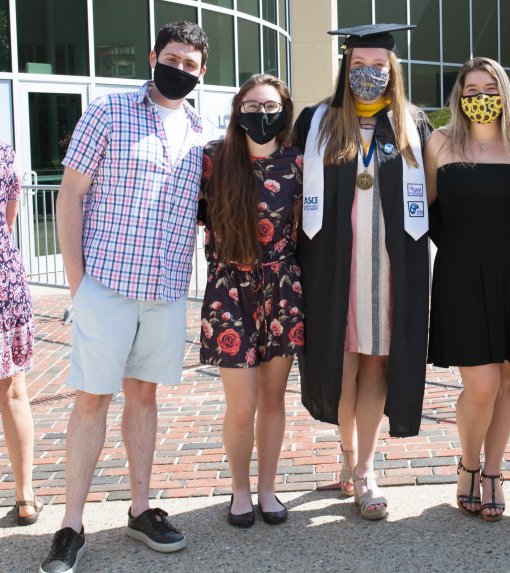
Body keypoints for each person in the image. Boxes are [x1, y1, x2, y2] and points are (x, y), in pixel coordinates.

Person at [43, 21, 209, 573]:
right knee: (92, 400)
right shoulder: (108, 111)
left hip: (164, 292)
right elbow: (69, 195)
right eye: (173, 58)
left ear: (201, 72)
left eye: (190, 64)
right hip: (107, 287)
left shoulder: (199, 127)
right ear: (152, 57)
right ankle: (70, 525)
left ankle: (140, 509)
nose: (179, 69)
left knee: (143, 399)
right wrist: (77, 283)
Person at [291, 23, 432, 520]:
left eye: (377, 67)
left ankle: (366, 467)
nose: (368, 75)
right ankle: (348, 457)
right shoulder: (317, 122)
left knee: (376, 362)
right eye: (358, 67)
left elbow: (435, 196)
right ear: (344, 70)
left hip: (392, 267)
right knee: (341, 361)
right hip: (333, 265)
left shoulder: (413, 124)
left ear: (392, 71)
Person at [425, 57, 510, 522]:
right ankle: (468, 463)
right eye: (471, 89)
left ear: (505, 94)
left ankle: (493, 472)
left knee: (508, 379)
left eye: (489, 88)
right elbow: (421, 210)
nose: (480, 98)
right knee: (481, 385)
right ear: (459, 97)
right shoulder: (439, 143)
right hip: (460, 273)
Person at [198, 74, 303, 528]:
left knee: (274, 399)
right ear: (238, 110)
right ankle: (239, 490)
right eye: (253, 106)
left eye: (271, 107)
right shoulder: (213, 160)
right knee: (242, 406)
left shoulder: (299, 162)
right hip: (229, 290)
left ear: (284, 112)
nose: (262, 115)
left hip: (282, 288)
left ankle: (267, 489)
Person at [0, 142, 40, 527]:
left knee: (13, 390)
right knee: (13, 391)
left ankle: (26, 493)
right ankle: (25, 495)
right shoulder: (3, 152)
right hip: (3, 275)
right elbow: (8, 219)